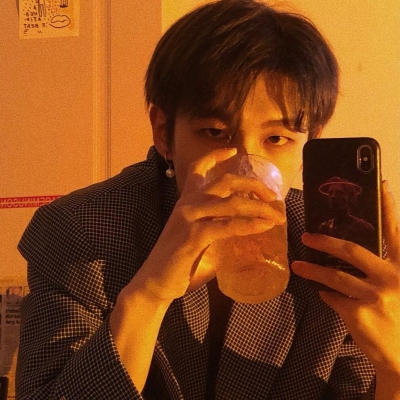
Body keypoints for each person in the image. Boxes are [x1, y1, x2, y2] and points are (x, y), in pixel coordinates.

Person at [16, 0, 400, 399]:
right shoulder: (81, 231)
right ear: (163, 132)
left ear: (309, 143)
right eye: (215, 133)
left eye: (276, 139)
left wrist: (395, 368)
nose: (245, 168)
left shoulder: (334, 251)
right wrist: (148, 296)